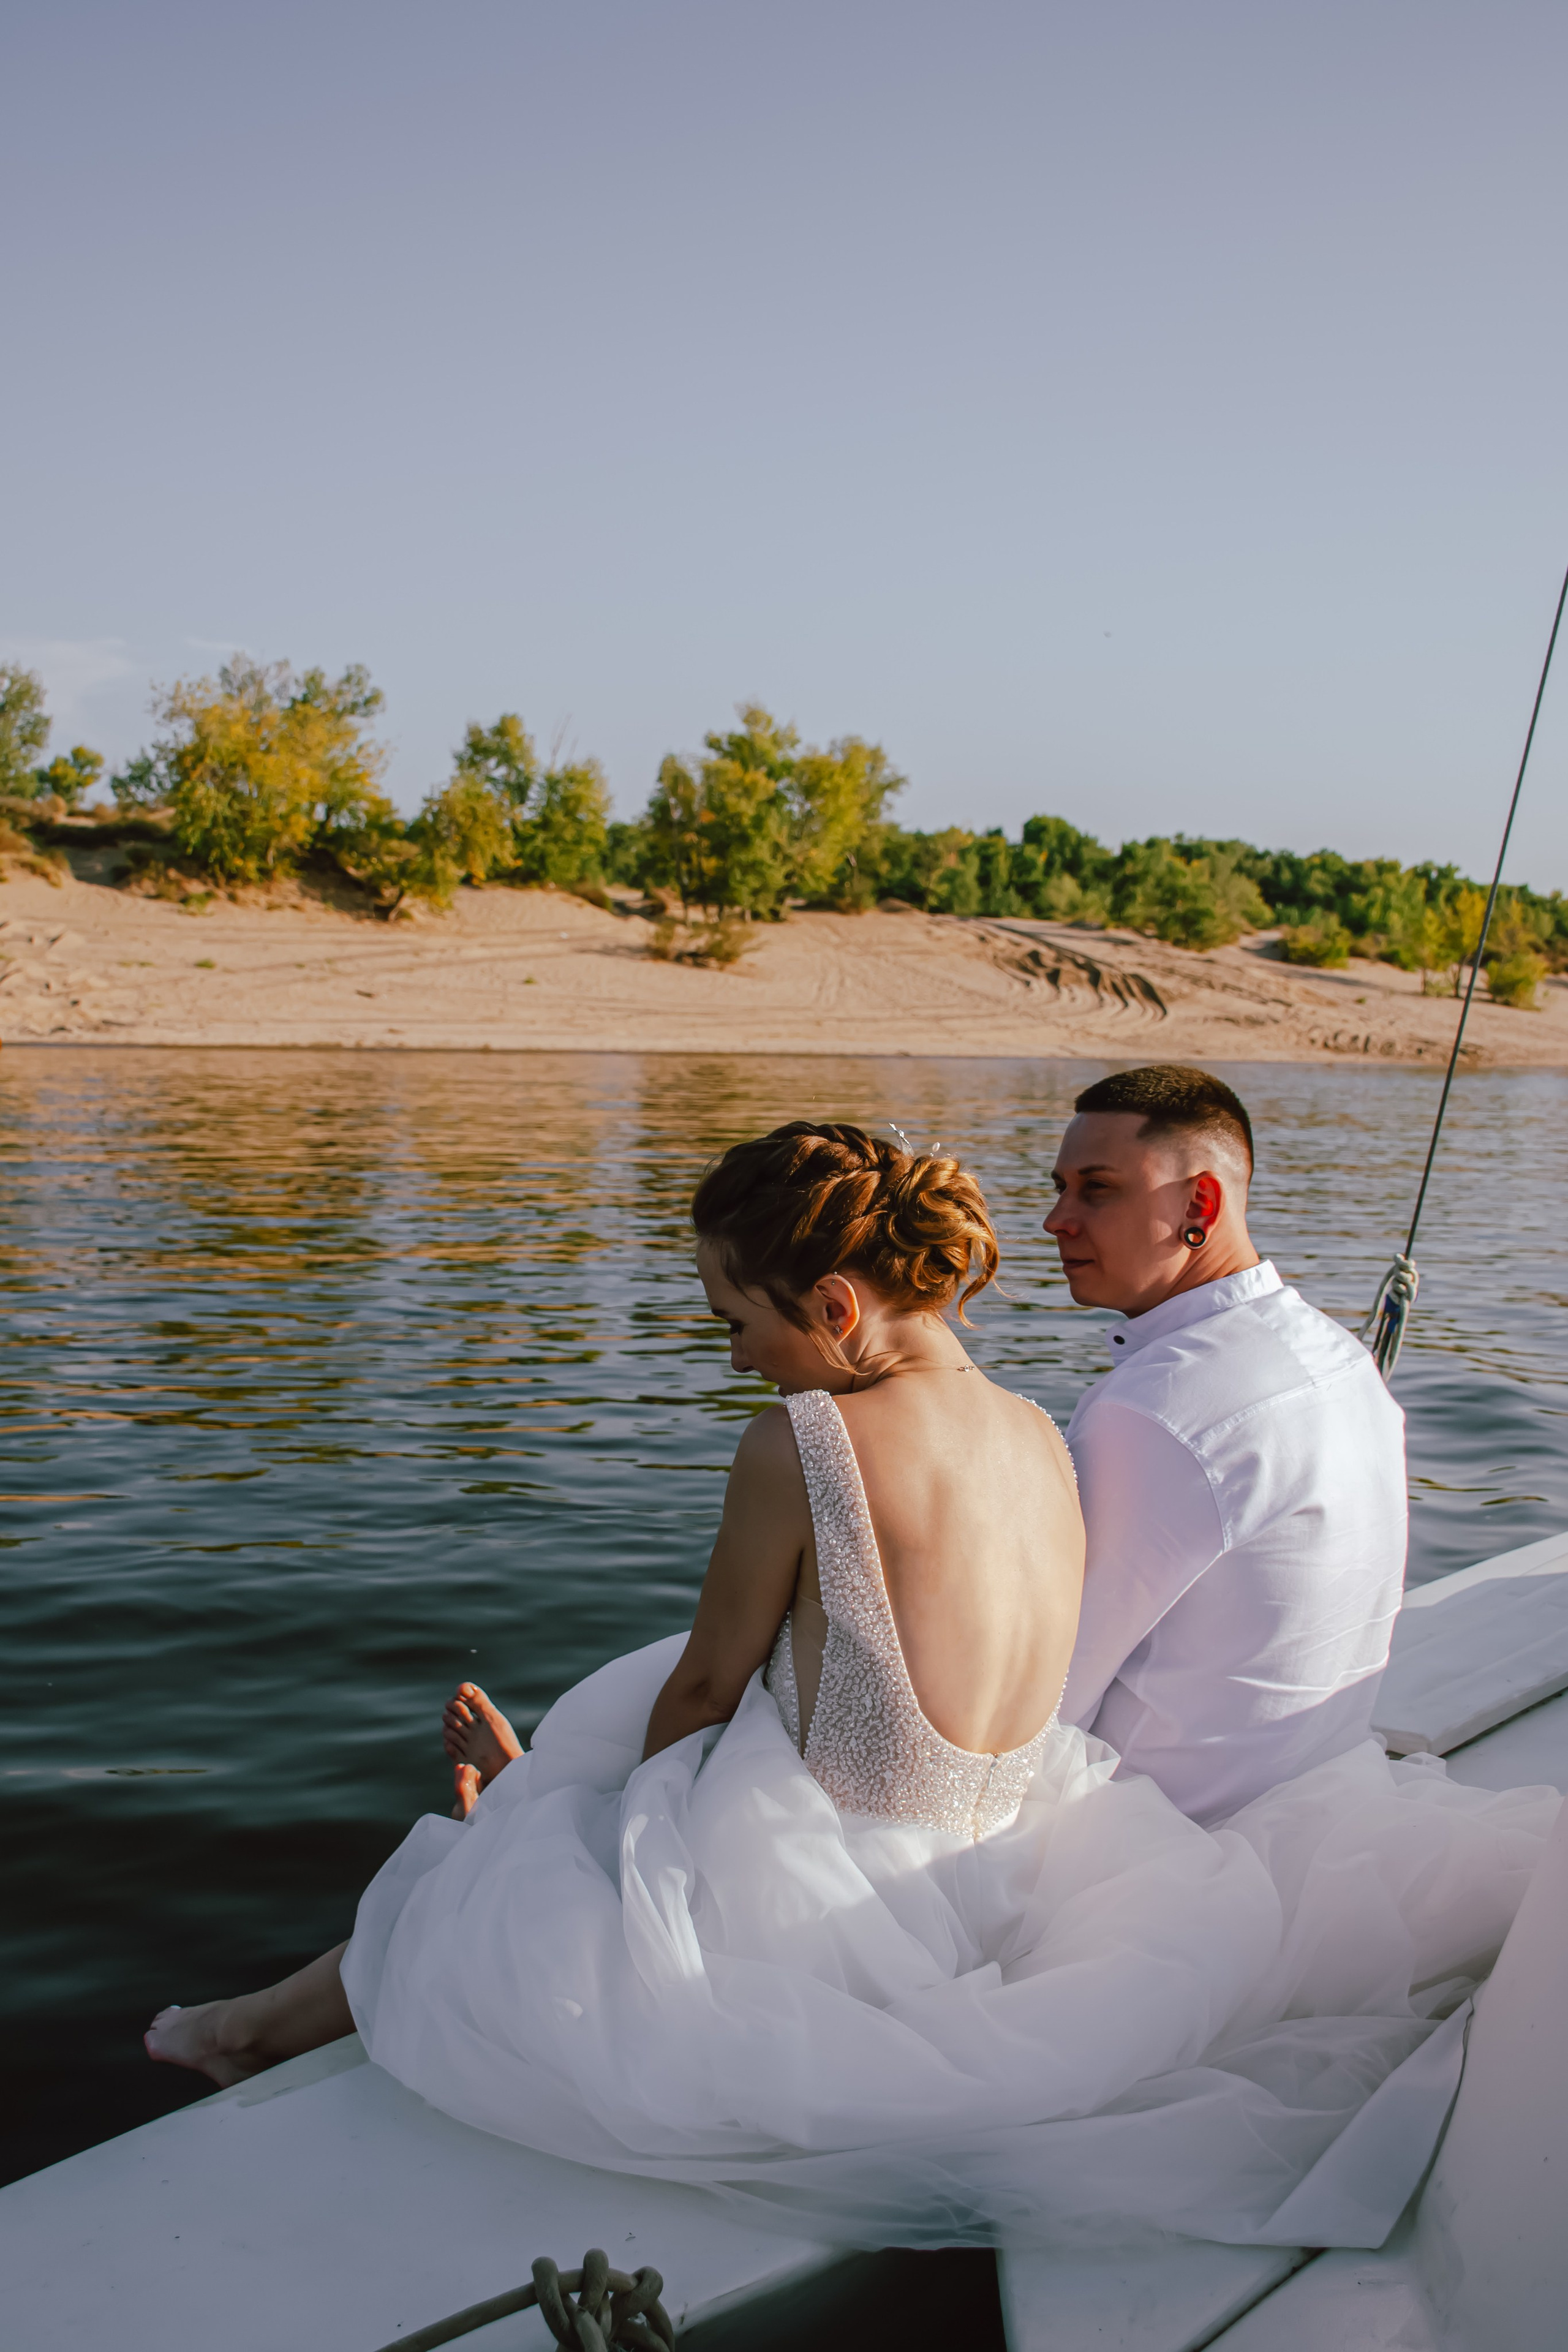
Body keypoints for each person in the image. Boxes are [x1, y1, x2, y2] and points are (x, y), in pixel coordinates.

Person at [145, 1121, 1556, 2254]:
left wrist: (609, 1830)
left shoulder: (803, 1437)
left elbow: (703, 1684)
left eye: (734, 1320)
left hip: (819, 1893)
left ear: (831, 1305)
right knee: (587, 1777)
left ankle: (244, 2025)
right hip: (1006, 1867)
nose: (734, 1355)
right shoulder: (1042, 1431)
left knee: (519, 1850)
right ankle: (490, 1827)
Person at [1047, 1065, 1407, 1825]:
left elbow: (1047, 1694)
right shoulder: (1339, 1357)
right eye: (1059, 1187)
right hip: (1318, 1814)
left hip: (1151, 1852)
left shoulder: (1154, 1411)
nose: (1056, 1219)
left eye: (1096, 1189)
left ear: (1199, 1204)